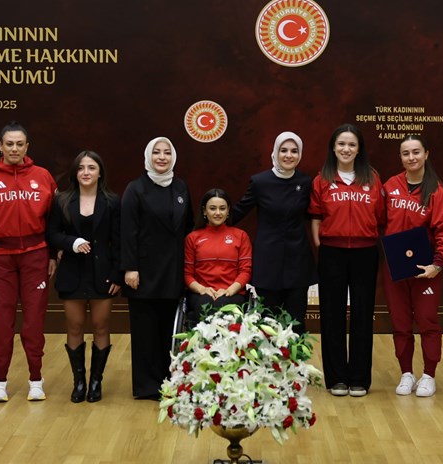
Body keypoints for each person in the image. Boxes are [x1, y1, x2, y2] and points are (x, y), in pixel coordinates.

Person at [0, 121, 57, 402]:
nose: (14, 149)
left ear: (27, 147)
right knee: (1, 322)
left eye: (19, 144)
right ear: (0, 147)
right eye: (9, 144)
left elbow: (54, 219)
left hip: (35, 255)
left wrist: (52, 254)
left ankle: (36, 378)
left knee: (33, 322)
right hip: (1, 257)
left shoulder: (43, 176)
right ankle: (0, 380)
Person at [309, 123, 385, 397]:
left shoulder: (372, 178)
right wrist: (323, 245)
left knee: (363, 315)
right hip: (332, 252)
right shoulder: (322, 179)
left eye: (352, 144)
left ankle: (359, 379)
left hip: (365, 252)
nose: (346, 149)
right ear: (333, 147)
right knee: (332, 315)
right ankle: (337, 378)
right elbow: (316, 217)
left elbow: (380, 217)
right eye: (341, 144)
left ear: (359, 149)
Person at [382, 135, 443, 397]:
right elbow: (378, 221)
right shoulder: (390, 186)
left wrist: (438, 264)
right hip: (395, 268)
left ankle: (428, 375)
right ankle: (406, 373)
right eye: (406, 153)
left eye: (416, 152)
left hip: (426, 269)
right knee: (400, 323)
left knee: (427, 322)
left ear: (426, 154)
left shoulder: (437, 191)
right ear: (400, 157)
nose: (411, 157)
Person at [121, 137, 193, 400]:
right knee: (146, 332)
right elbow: (127, 231)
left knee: (169, 331)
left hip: (173, 271)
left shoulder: (181, 187)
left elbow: (188, 228)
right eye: (156, 152)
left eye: (167, 153)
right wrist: (130, 268)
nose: (162, 157)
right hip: (143, 272)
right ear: (148, 157)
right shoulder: (135, 189)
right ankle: (147, 386)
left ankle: (170, 381)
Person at [46, 150, 122, 404]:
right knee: (75, 326)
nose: (86, 172)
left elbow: (119, 241)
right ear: (75, 172)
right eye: (81, 168)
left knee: (101, 326)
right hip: (72, 272)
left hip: (104, 274)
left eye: (91, 167)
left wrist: (117, 275)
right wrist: (72, 242)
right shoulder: (62, 200)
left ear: (100, 172)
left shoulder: (112, 201)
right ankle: (79, 382)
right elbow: (52, 234)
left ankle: (96, 382)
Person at [231, 131, 315, 334]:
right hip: (268, 261)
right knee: (267, 324)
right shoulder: (260, 182)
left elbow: (316, 214)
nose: (289, 155)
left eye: (294, 151)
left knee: (296, 324)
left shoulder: (306, 182)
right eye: (284, 150)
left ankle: (297, 357)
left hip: (297, 261)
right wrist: (209, 222)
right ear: (275, 152)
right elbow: (239, 211)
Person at [184, 188, 252, 326]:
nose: (218, 213)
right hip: (200, 294)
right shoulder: (193, 237)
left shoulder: (241, 236)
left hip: (232, 293)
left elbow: (245, 271)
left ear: (228, 211)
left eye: (222, 208)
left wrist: (229, 291)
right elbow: (188, 275)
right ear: (204, 211)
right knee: (206, 304)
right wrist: (202, 290)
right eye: (212, 208)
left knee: (222, 304)